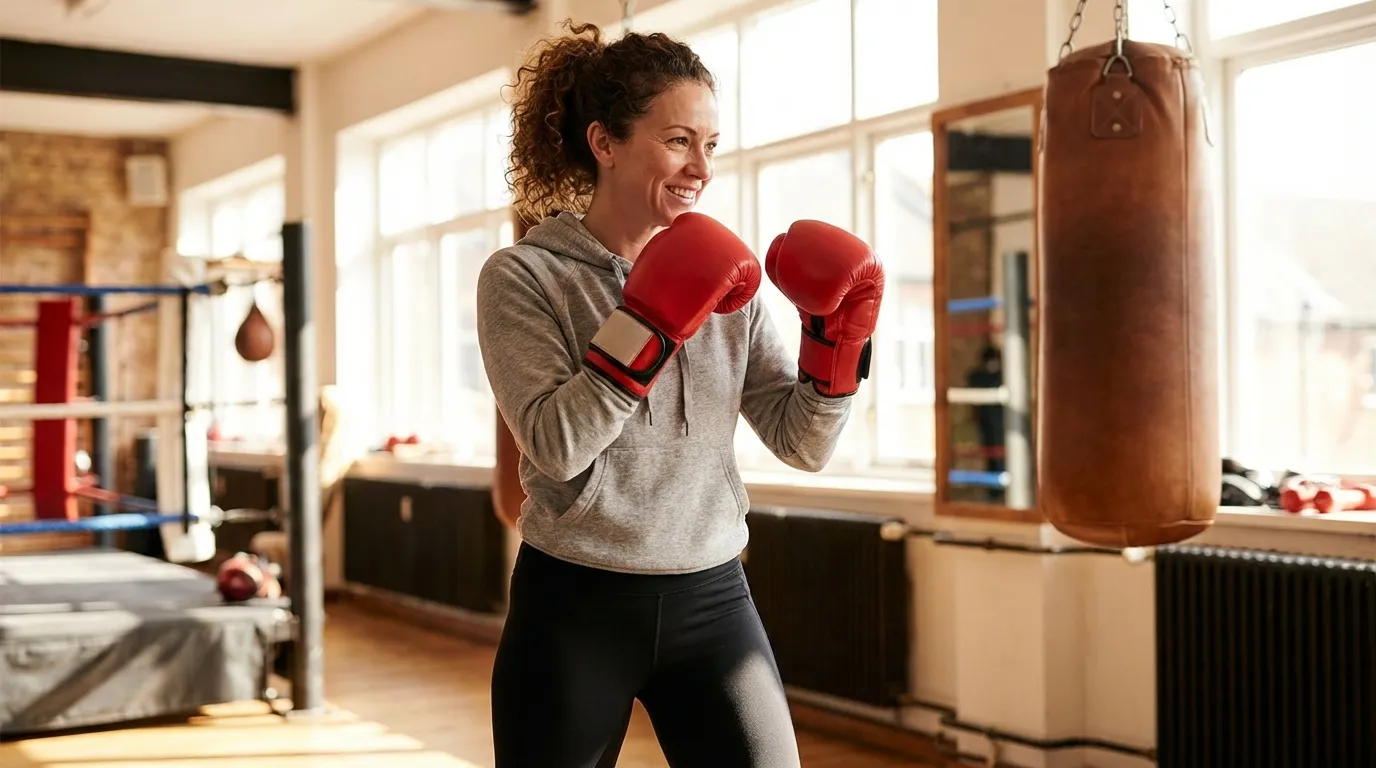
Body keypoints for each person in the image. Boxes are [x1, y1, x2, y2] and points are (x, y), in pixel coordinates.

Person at [475, 19, 885, 768]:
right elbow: (556, 445)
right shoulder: (526, 276)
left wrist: (836, 346)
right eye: (677, 141)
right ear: (604, 143)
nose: (700, 166)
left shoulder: (730, 284)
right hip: (576, 604)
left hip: (713, 598)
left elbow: (804, 446)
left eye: (710, 145)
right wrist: (650, 322)